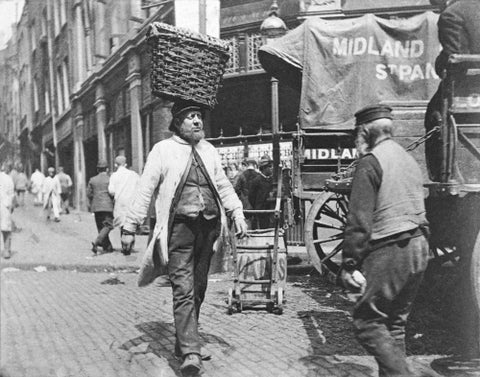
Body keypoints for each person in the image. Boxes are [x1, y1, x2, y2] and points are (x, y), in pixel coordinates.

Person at [120, 100, 248, 376]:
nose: (197, 121)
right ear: (177, 123)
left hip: (209, 229)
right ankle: (191, 352)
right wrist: (130, 227)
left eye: (199, 116)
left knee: (199, 287)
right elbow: (145, 188)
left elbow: (223, 184)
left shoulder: (209, 150)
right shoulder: (163, 150)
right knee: (183, 288)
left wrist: (237, 212)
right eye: (190, 117)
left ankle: (183, 341)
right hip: (179, 230)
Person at [339, 105, 430, 377]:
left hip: (392, 246)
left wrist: (349, 264)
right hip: (419, 244)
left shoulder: (370, 161)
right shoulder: (407, 158)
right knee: (394, 325)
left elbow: (359, 220)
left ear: (365, 132)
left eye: (357, 134)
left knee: (367, 322)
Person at [424, 0, 480, 181]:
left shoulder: (452, 14)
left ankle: (443, 175)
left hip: (469, 88)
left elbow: (454, 58)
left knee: (433, 113)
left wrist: (439, 63)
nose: (438, 7)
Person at [108, 156, 140, 242]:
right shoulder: (134, 174)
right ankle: (131, 240)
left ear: (115, 165)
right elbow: (139, 187)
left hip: (120, 202)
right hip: (132, 201)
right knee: (131, 221)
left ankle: (124, 243)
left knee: (122, 222)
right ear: (125, 164)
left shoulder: (114, 176)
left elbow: (111, 191)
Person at [87, 160, 114, 255]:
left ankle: (108, 247)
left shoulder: (92, 179)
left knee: (100, 226)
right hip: (108, 206)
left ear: (98, 169)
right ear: (107, 169)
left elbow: (89, 194)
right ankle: (97, 241)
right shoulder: (110, 179)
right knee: (109, 225)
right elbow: (113, 192)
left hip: (96, 206)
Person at [249, 155, 274, 229]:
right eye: (269, 166)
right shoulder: (256, 181)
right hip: (260, 212)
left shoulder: (272, 180)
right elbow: (251, 197)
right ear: (263, 168)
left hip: (271, 211)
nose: (271, 168)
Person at [0, 162, 15, 259]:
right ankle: (6, 251)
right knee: (6, 229)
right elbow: (12, 194)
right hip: (5, 206)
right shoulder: (9, 179)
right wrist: (11, 207)